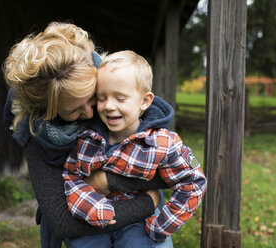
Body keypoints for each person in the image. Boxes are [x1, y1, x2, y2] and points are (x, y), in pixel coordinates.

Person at [3, 22, 174, 248]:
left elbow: (169, 169)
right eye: (74, 110)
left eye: (93, 98)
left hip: (141, 228)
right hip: (93, 224)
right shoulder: (37, 130)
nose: (91, 112)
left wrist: (108, 180)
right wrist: (145, 203)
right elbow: (63, 221)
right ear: (49, 112)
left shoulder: (113, 82)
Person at [62, 50, 207, 247]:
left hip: (137, 224)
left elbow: (193, 182)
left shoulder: (161, 143)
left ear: (144, 101)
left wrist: (161, 225)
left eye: (120, 98)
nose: (109, 106)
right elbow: (71, 176)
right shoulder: (87, 139)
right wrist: (91, 206)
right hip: (92, 222)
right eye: (102, 98)